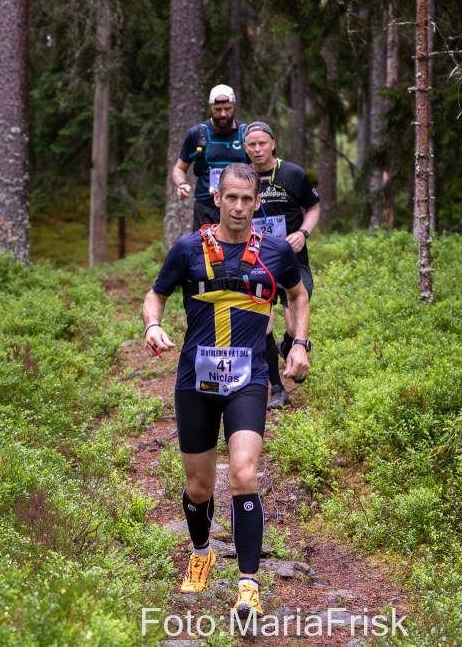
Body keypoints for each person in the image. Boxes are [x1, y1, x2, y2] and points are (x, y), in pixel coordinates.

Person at [142, 163, 311, 619]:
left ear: (257, 203)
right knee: (198, 487)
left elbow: (297, 295)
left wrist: (299, 343)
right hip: (195, 382)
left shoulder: (276, 251)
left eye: (247, 199)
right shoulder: (187, 249)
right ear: (217, 198)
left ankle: (248, 586)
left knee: (243, 474)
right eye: (230, 198)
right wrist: (153, 325)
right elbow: (156, 294)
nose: (238, 207)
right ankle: (201, 553)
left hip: (248, 380)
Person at [242, 122, 320, 410]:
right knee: (263, 323)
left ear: (273, 143)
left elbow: (313, 207)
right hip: (255, 259)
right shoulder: (241, 176)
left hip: (290, 258)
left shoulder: (292, 173)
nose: (257, 149)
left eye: (262, 143)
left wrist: (303, 233)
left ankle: (290, 345)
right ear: (245, 147)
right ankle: (277, 388)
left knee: (291, 324)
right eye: (252, 145)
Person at [171, 84, 250, 228]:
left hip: (239, 209)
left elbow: (260, 167)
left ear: (234, 105)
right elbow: (179, 169)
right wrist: (182, 184)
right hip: (206, 210)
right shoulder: (197, 134)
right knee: (204, 244)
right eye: (217, 110)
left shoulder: (246, 134)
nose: (223, 114)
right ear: (210, 107)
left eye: (228, 109)